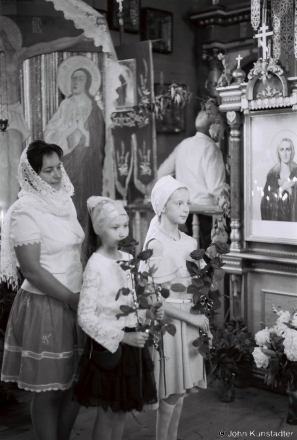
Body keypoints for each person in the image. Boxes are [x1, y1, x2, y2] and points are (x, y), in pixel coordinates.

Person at [0, 140, 85, 440]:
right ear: (32, 174)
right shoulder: (24, 210)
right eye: (48, 170)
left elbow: (75, 252)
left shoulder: (65, 202)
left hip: (76, 301)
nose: (57, 175)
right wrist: (72, 299)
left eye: (58, 167)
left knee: (77, 382)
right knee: (49, 390)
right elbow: (33, 271)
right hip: (45, 304)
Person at [73, 196, 164, 440]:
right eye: (115, 227)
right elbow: (85, 317)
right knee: (108, 414)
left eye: (125, 226)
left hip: (131, 347)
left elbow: (129, 305)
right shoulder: (95, 265)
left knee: (122, 411)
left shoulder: (126, 260)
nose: (123, 232)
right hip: (110, 349)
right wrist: (122, 337)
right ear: (100, 230)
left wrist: (148, 313)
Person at [140, 175, 210, 440]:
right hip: (170, 325)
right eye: (178, 203)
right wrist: (192, 319)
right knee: (170, 392)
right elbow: (154, 299)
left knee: (180, 392)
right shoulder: (156, 245)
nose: (185, 209)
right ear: (162, 207)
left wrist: (201, 305)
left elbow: (197, 287)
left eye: (187, 203)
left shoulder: (190, 244)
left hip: (189, 321)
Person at [0, 15, 87, 210]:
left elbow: (50, 45)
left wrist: (79, 39)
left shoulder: (16, 54)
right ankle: (3, 211)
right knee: (1, 165)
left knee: (15, 162)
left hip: (12, 111)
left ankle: (17, 206)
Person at [157, 101, 226, 248]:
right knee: (210, 263)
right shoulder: (211, 149)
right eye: (220, 125)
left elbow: (162, 173)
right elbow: (217, 189)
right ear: (211, 127)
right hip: (207, 216)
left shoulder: (184, 144)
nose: (222, 129)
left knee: (191, 258)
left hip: (186, 216)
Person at [44, 67, 105, 232]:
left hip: (88, 164)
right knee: (69, 202)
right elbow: (50, 133)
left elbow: (98, 139)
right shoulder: (66, 104)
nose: (75, 82)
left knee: (85, 202)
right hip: (67, 161)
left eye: (80, 79)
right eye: (73, 78)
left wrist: (84, 134)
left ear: (87, 83)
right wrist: (69, 130)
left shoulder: (93, 107)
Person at [261, 138, 297, 222]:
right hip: (276, 224)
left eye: (288, 149)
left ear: (292, 152)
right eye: (282, 150)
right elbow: (264, 204)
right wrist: (282, 189)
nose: (285, 153)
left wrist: (291, 191)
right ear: (278, 153)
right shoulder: (272, 176)